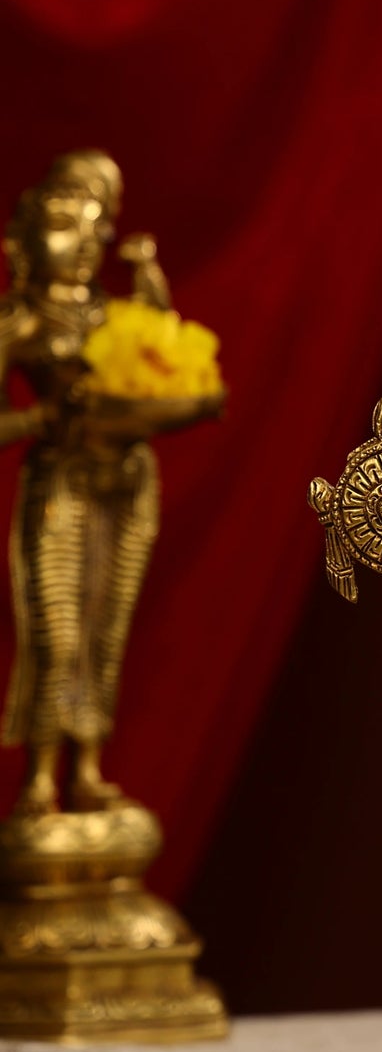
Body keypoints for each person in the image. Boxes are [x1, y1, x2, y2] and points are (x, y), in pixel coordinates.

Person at [0, 151, 221, 818]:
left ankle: (88, 764)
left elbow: (157, 343)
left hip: (125, 482)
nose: (84, 240)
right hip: (62, 477)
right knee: (57, 628)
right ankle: (41, 774)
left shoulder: (106, 315)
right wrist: (41, 416)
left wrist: (147, 274)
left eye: (97, 225)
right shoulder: (21, 321)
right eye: (66, 220)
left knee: (106, 628)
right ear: (23, 235)